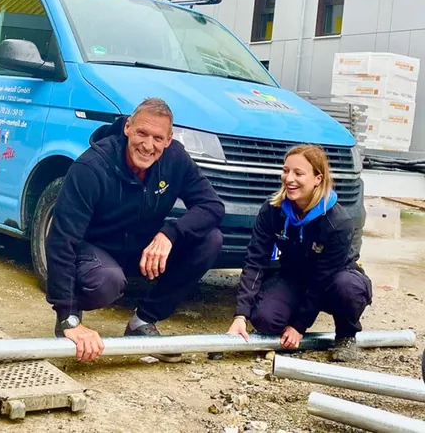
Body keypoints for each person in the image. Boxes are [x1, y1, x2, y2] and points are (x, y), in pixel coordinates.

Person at [45, 97, 225, 362]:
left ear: (168, 139)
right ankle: (71, 323)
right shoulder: (91, 167)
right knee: (106, 281)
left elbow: (212, 206)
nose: (147, 145)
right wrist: (68, 316)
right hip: (95, 254)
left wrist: (169, 234)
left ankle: (142, 323)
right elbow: (62, 241)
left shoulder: (175, 159)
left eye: (157, 137)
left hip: (139, 251)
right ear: (128, 127)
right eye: (141, 133)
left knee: (210, 239)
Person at [226, 144, 372, 362]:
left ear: (318, 178)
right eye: (286, 171)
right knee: (265, 319)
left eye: (298, 173)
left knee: (348, 289)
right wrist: (241, 314)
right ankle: (286, 317)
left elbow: (321, 279)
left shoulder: (338, 223)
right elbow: (255, 261)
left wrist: (299, 325)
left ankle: (346, 335)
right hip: (294, 275)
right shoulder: (273, 210)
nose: (289, 178)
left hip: (333, 279)